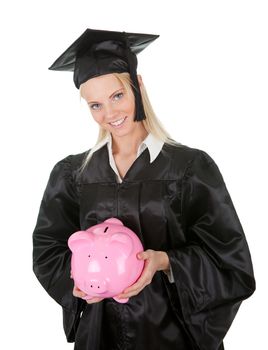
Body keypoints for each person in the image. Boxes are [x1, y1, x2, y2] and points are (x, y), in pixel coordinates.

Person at [32, 28, 255, 350]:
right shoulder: (72, 174)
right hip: (99, 331)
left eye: (117, 96)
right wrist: (77, 281)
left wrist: (164, 261)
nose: (109, 114)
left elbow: (230, 260)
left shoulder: (189, 168)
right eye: (95, 105)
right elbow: (48, 248)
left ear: (138, 86)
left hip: (171, 332)